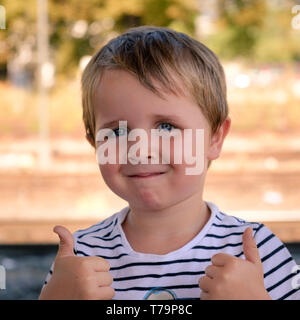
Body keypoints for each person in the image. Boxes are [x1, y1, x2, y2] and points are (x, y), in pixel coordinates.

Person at [39, 26, 300, 300]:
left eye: (166, 127)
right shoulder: (77, 257)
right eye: (117, 131)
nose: (140, 150)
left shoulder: (255, 252)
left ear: (215, 138)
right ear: (94, 142)